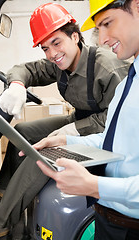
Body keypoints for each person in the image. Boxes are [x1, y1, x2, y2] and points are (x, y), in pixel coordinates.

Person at [0, 2, 131, 240]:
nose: (51, 54)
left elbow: (117, 119)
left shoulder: (107, 67)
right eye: (45, 48)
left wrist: (74, 129)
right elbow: (26, 69)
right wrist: (17, 85)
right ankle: (4, 187)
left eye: (56, 43)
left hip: (101, 132)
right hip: (79, 120)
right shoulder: (60, 63)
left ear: (75, 36)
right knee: (24, 130)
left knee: (42, 157)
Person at [34, 0, 139, 239]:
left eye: (108, 23)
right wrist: (66, 141)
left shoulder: (114, 72)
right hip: (108, 218)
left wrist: (94, 186)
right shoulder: (126, 85)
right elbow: (113, 141)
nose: (102, 39)